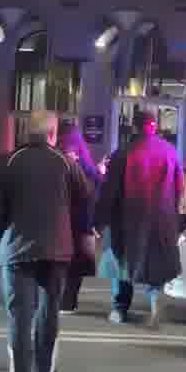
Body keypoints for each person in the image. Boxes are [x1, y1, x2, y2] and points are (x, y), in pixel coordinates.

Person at [0, 110, 90, 372]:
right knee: (48, 312)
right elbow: (85, 197)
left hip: (17, 250)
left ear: (26, 132)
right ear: (53, 134)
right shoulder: (66, 163)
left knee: (20, 316)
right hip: (57, 250)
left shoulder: (8, 161)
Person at [94, 108, 184, 327]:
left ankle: (120, 308)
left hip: (129, 220)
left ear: (134, 127)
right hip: (161, 220)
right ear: (155, 126)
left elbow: (109, 191)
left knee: (122, 265)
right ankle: (155, 303)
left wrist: (99, 220)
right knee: (156, 264)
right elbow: (179, 189)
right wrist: (175, 216)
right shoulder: (170, 151)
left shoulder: (124, 152)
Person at [57, 119, 103, 314]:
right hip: (81, 219)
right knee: (76, 263)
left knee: (57, 260)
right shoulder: (84, 161)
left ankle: (55, 299)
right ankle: (69, 301)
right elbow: (96, 186)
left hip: (59, 218)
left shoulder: (55, 158)